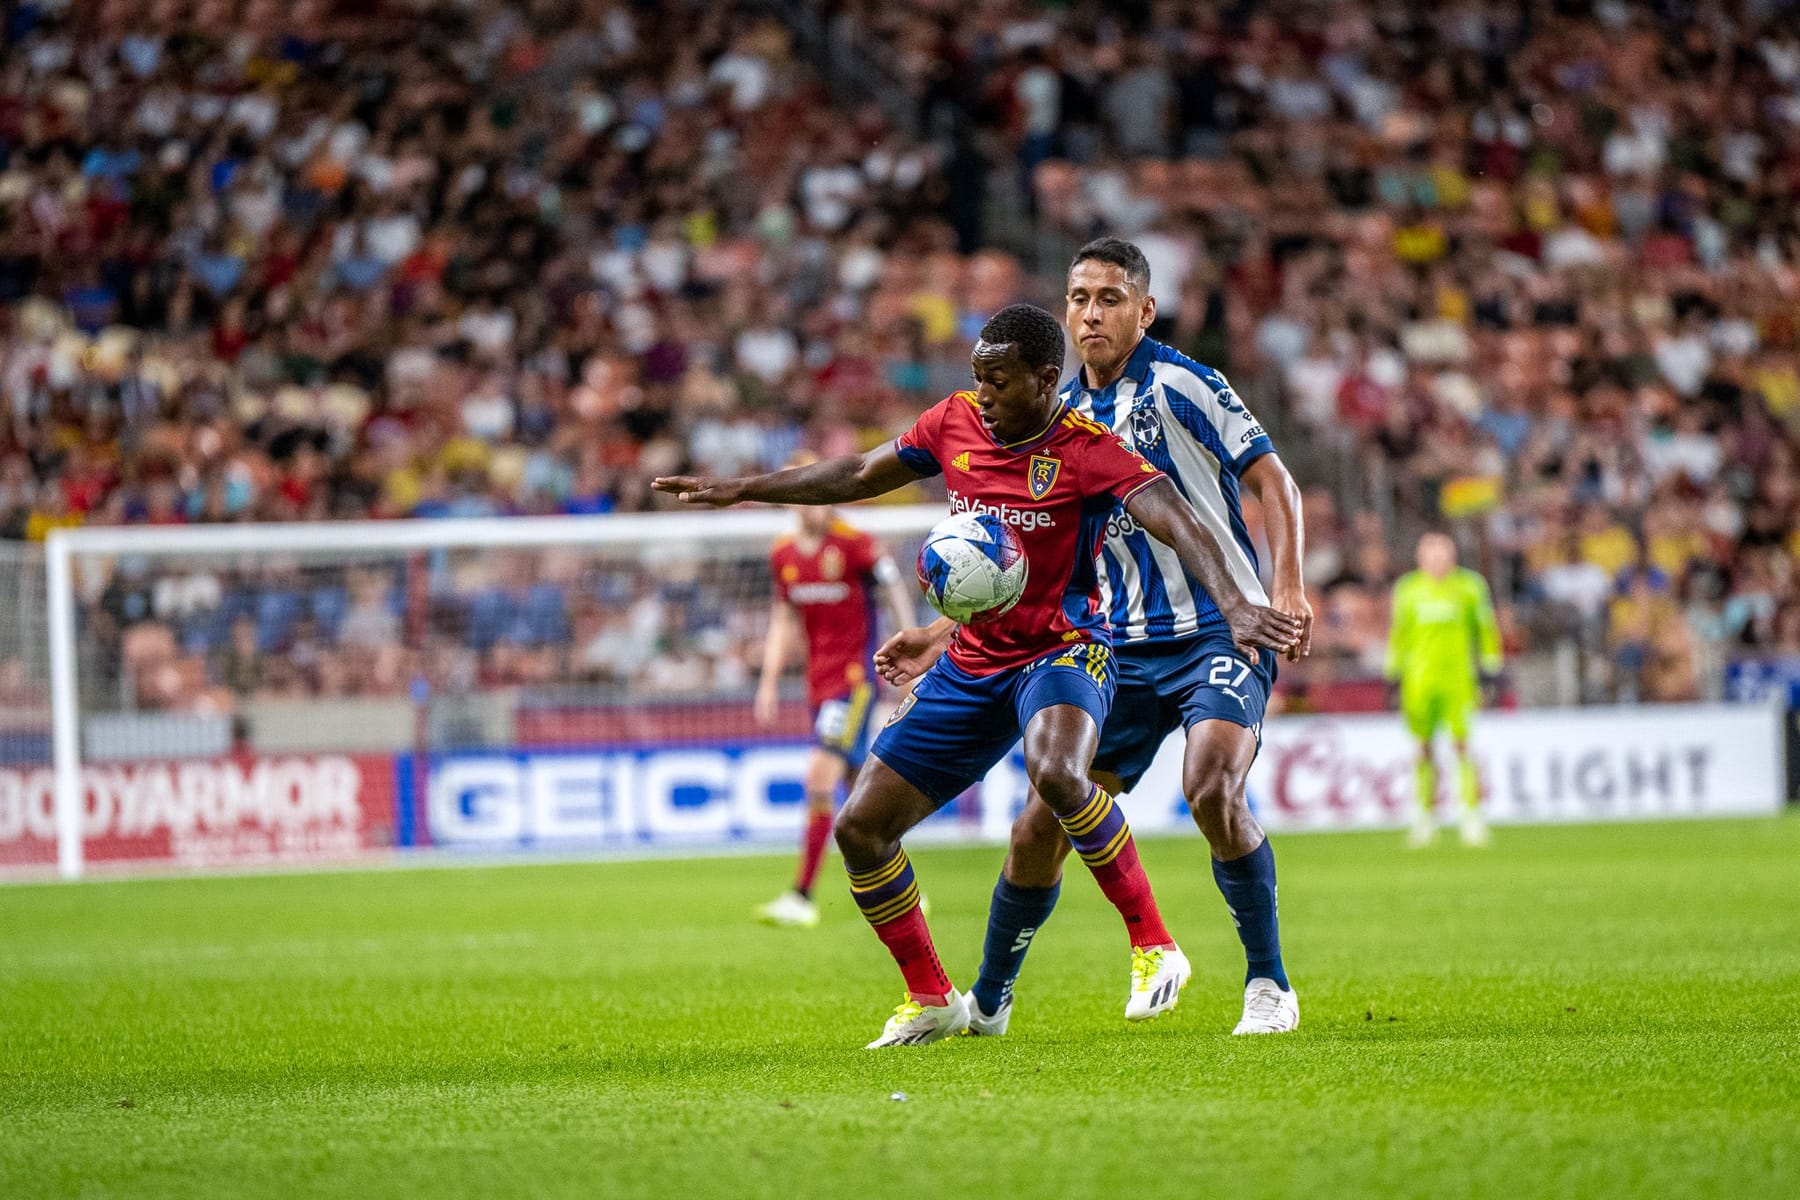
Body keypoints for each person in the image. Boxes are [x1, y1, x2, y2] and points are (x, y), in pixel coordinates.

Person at [654, 303, 1303, 1047]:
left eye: (999, 382)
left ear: (1044, 380)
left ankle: (1154, 943)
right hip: (972, 661)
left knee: (1057, 773)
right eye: (978, 380)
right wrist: (746, 488)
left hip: (1066, 649)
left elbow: (1178, 519)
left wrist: (1238, 604)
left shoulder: (1085, 448)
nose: (984, 395)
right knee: (861, 829)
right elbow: (862, 472)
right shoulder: (954, 422)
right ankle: (933, 996)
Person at [877, 237, 1312, 1037]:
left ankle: (1269, 983)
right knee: (1044, 818)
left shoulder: (1186, 383)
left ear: (1144, 310)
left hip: (1219, 626)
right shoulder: (1054, 417)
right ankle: (990, 997)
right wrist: (944, 632)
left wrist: (1284, 585)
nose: (1090, 312)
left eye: (1110, 297)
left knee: (1212, 787)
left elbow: (1272, 479)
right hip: (1117, 643)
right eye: (1078, 298)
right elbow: (1023, 558)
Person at [755, 461, 918, 928]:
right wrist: (768, 681)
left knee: (818, 778)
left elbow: (892, 593)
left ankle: (801, 895)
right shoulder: (783, 553)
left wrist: (911, 645)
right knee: (858, 792)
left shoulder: (856, 543)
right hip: (817, 683)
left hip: (852, 681)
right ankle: (904, 890)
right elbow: (784, 618)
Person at [1385, 532, 1504, 847]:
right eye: (1431, 556)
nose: (1438, 562)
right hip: (1419, 682)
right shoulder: (1408, 590)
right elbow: (1400, 635)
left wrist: (1490, 670)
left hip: (1459, 681)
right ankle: (1424, 819)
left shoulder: (1470, 587)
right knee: (1422, 750)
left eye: (1443, 555)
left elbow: (1486, 631)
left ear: (1452, 557)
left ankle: (1471, 816)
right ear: (1420, 559)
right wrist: (1392, 675)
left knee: (1462, 747)